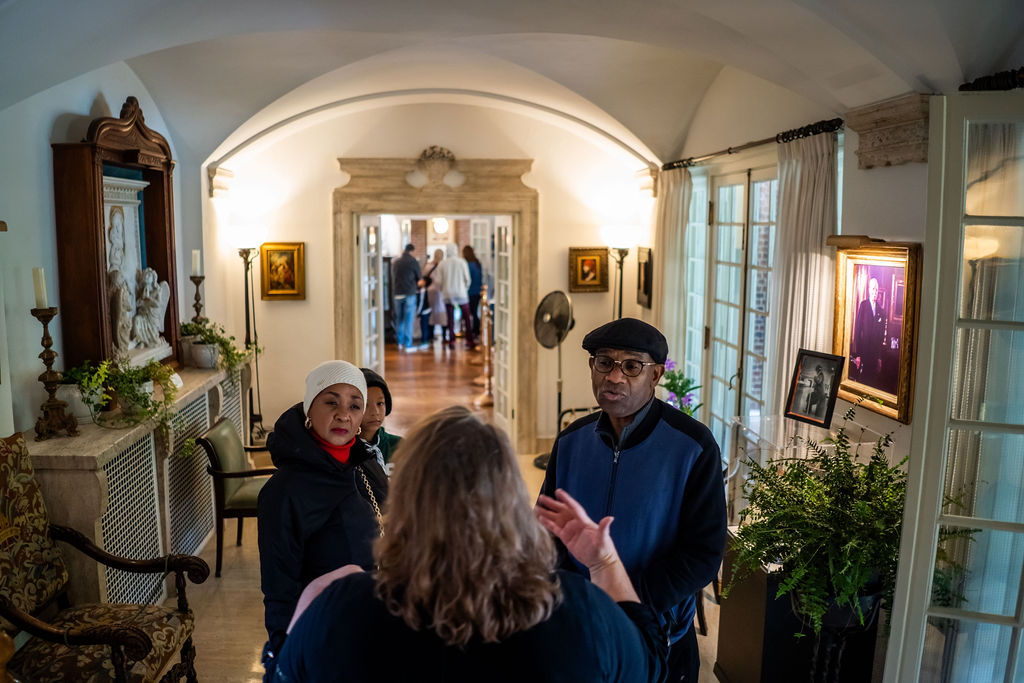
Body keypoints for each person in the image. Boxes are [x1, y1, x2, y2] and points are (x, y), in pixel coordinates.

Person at [272, 406, 667, 683]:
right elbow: (650, 664)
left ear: (406, 501)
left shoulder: (342, 608)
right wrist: (604, 564)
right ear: (511, 499)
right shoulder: (578, 610)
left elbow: (282, 676)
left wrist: (308, 607)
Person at [540, 317, 727, 683]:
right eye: (604, 362)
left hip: (662, 634)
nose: (614, 377)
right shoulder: (570, 441)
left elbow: (704, 552)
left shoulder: (692, 445)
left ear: (655, 375)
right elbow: (549, 529)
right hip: (582, 627)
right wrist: (575, 599)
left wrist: (632, 599)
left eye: (631, 366)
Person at [257, 360, 389, 677]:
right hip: (320, 638)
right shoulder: (283, 492)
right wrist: (286, 657)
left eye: (355, 405)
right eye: (331, 402)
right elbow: (279, 589)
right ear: (308, 409)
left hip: (367, 625)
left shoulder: (361, 467)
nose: (343, 414)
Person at [359, 367, 401, 476]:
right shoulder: (345, 451)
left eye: (380, 403)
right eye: (365, 405)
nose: (375, 412)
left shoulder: (399, 446)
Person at [435, 243, 476, 350]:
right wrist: (464, 288)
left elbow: (438, 281)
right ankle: (469, 340)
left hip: (448, 293)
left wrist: (443, 290)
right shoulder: (462, 262)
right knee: (466, 318)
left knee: (450, 319)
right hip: (461, 293)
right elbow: (467, 280)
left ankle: (452, 341)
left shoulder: (442, 264)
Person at [853, 276, 886, 387]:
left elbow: (881, 337)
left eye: (876, 289)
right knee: (862, 383)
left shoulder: (881, 311)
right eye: (873, 289)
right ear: (868, 290)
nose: (875, 292)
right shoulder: (863, 305)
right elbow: (857, 330)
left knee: (872, 384)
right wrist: (858, 355)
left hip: (874, 356)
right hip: (863, 353)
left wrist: (879, 357)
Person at [391, 243, 421, 351]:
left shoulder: (396, 262)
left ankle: (399, 343)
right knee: (409, 320)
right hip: (409, 294)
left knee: (399, 319)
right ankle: (408, 344)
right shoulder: (413, 261)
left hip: (397, 293)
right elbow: (419, 279)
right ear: (412, 251)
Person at [423, 248, 447, 346]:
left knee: (431, 314)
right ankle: (445, 336)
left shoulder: (428, 266)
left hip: (431, 291)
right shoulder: (444, 266)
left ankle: (430, 336)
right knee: (442, 314)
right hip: (441, 291)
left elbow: (424, 278)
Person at [463, 244, 483, 337]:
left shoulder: (468, 265)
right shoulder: (477, 263)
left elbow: (467, 279)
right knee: (474, 312)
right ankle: (475, 330)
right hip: (477, 290)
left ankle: (475, 330)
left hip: (470, 292)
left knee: (472, 313)